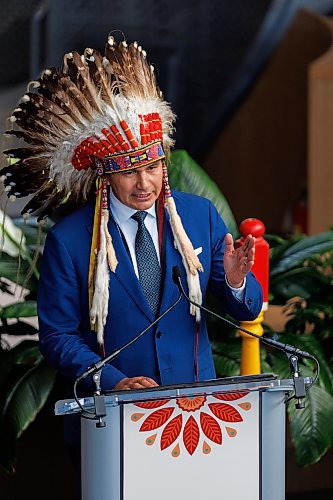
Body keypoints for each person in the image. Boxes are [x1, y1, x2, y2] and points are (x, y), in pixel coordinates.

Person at [2, 35, 262, 445]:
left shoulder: (199, 217)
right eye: (128, 172)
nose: (145, 183)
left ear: (164, 162)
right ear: (104, 177)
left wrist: (233, 281)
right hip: (112, 418)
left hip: (196, 417)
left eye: (153, 167)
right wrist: (114, 380)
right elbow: (57, 337)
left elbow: (246, 310)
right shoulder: (71, 240)